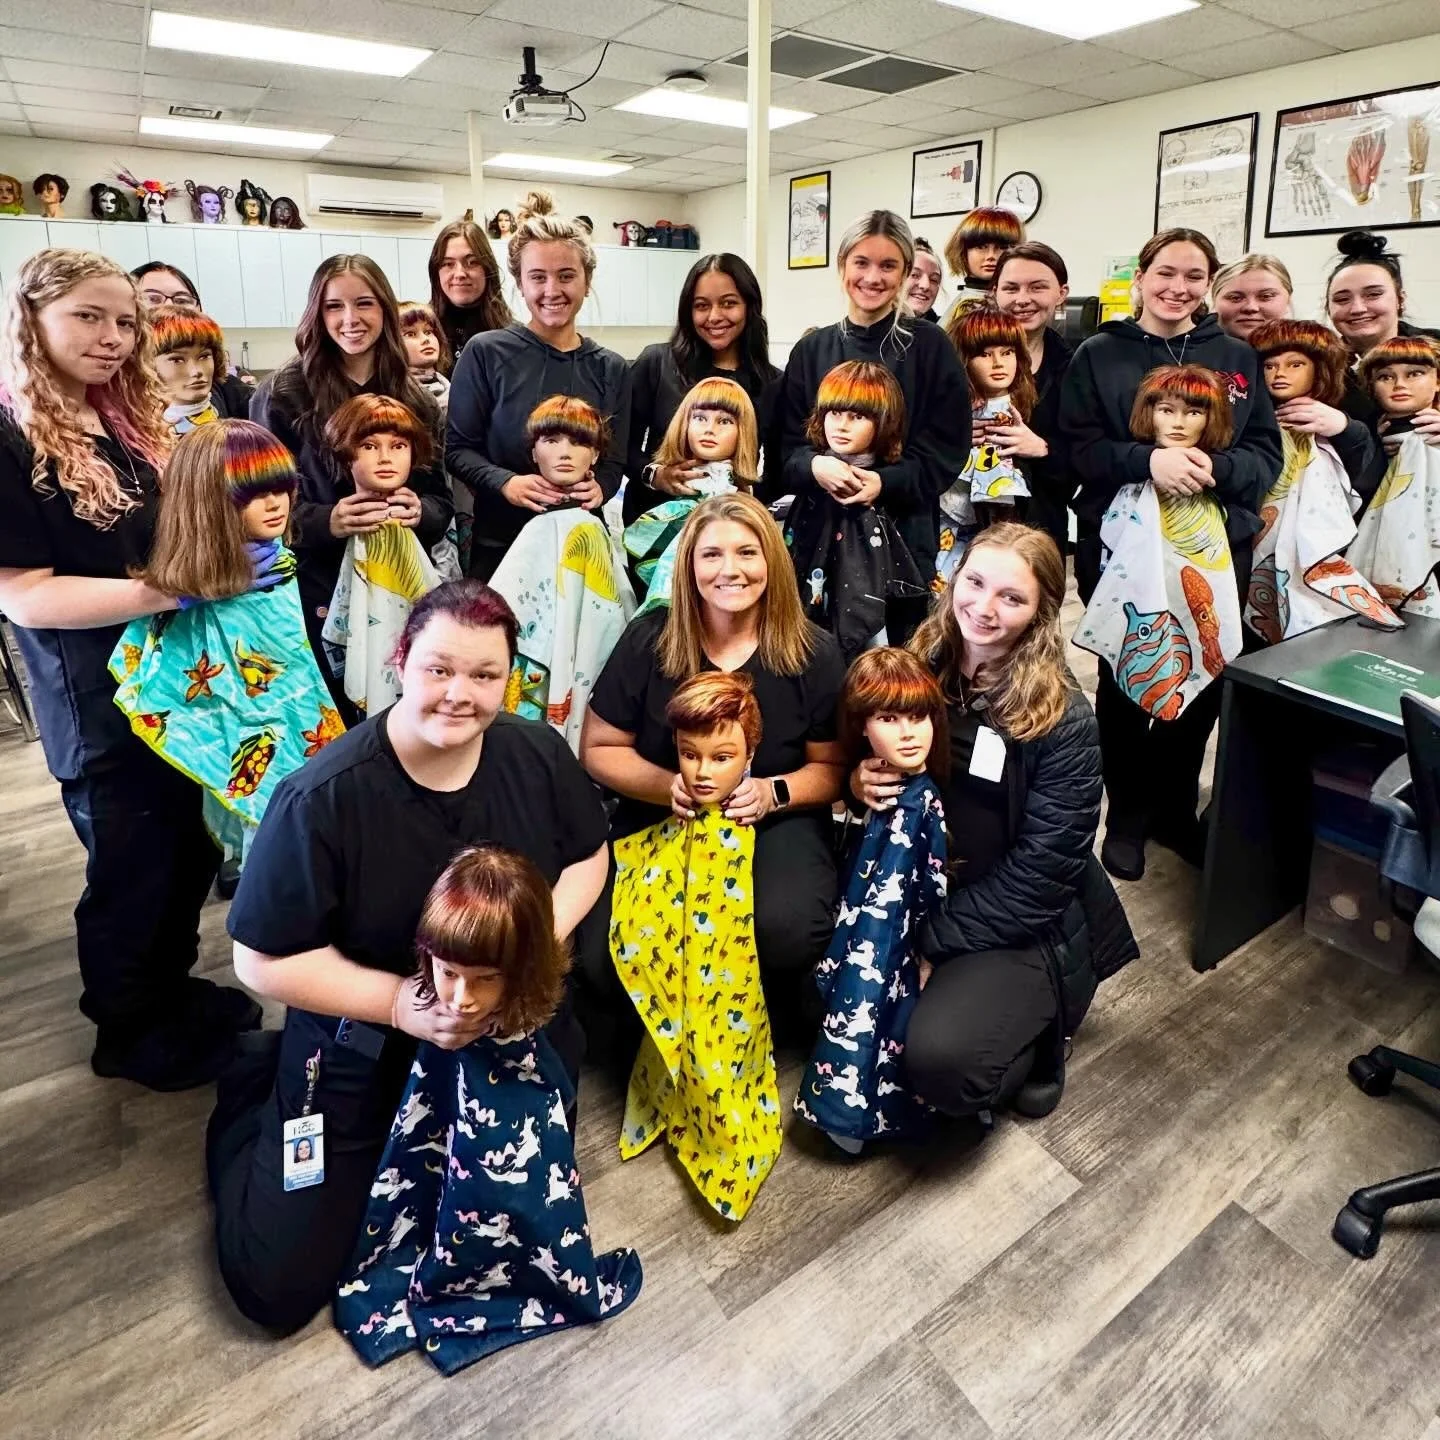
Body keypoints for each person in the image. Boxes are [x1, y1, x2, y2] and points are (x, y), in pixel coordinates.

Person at [208, 580, 610, 1335]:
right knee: (278, 1289)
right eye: (438, 669)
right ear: (400, 661)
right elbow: (260, 960)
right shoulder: (322, 799)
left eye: (485, 675)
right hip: (365, 1037)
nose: (460, 694)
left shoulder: (535, 753)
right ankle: (252, 1093)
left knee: (497, 1226)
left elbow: (590, 857)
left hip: (498, 1031)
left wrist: (523, 950)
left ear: (509, 678)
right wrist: (402, 1005)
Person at [0, 248, 269, 1090]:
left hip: (167, 684)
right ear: (33, 319)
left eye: (125, 321)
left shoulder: (119, 422)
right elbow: (27, 597)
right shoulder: (9, 434)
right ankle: (128, 1031)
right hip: (96, 699)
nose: (113, 337)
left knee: (183, 854)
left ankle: (170, 991)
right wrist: (165, 591)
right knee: (129, 868)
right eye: (89, 317)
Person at [853, 524, 1136, 1121]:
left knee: (939, 1063)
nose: (983, 608)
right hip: (920, 884)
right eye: (975, 583)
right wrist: (858, 782)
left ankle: (1040, 1039)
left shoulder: (1063, 720)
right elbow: (864, 745)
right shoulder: (918, 661)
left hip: (1014, 917)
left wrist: (927, 941)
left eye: (1012, 597)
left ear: (1040, 613)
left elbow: (1041, 878)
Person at [334, 845, 641, 1375]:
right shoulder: (437, 1007)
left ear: (519, 971)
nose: (461, 999)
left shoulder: (529, 1022)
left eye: (486, 978)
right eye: (447, 971)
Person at [1059, 226, 1281, 882]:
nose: (1178, 288)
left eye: (1193, 277)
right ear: (1143, 275)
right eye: (1166, 273)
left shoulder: (1236, 355)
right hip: (1125, 546)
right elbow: (1078, 450)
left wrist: (1210, 466)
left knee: (1204, 676)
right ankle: (1125, 814)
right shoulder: (1099, 353)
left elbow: (1264, 452)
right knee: (1129, 681)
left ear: (1207, 284)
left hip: (1213, 552)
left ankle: (1176, 809)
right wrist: (1148, 460)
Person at [581, 493, 847, 1031]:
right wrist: (666, 785)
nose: (731, 570)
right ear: (689, 565)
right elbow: (599, 749)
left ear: (772, 561)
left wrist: (775, 792)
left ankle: (755, 1011)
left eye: (747, 553)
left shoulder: (814, 652)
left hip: (772, 819)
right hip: (662, 814)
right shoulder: (649, 640)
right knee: (602, 960)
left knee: (785, 928)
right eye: (712, 555)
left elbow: (834, 770)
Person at [110, 420, 343, 865]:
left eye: (281, 487)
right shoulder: (192, 594)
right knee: (276, 849)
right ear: (207, 503)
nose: (274, 503)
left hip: (309, 732)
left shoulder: (286, 565)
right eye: (250, 493)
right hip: (249, 742)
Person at [609, 671, 782, 1221]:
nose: (704, 771)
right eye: (690, 754)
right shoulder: (677, 797)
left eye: (723, 756)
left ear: (750, 752)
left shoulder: (750, 818)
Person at [251, 254, 450, 710]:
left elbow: (439, 499)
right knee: (330, 716)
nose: (350, 319)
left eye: (364, 304)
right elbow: (252, 504)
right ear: (316, 314)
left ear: (384, 309)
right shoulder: (283, 393)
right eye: (333, 307)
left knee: (400, 710)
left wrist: (421, 511)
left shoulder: (415, 399)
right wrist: (327, 521)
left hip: (397, 588)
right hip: (313, 589)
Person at [776, 210, 971, 628]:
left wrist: (886, 482)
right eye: (861, 262)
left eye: (888, 265)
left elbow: (947, 450)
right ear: (842, 265)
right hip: (817, 538)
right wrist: (815, 466)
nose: (873, 277)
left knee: (891, 668)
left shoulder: (929, 347)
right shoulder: (812, 351)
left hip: (901, 540)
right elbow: (783, 450)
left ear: (904, 273)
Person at [797, 646, 949, 1153]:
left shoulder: (922, 802)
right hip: (864, 918)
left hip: (892, 933)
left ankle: (857, 1113)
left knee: (877, 1015)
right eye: (890, 718)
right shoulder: (876, 784)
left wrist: (929, 948)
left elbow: (927, 882)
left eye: (919, 716)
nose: (909, 732)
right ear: (863, 726)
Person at [446, 190, 630, 581]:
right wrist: (506, 483)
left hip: (582, 548)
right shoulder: (486, 353)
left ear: (587, 279)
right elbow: (459, 450)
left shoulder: (611, 368)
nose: (552, 291)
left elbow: (615, 460)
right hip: (502, 548)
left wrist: (603, 488)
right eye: (538, 277)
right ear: (519, 282)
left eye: (566, 276)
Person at [1245, 320, 1395, 640]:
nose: (1280, 374)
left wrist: (1343, 427)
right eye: (1269, 365)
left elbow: (1370, 478)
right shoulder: (1250, 421)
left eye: (1295, 364)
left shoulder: (1345, 417)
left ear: (1320, 369)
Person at [625, 253, 779, 527]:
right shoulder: (657, 364)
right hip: (653, 535)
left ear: (749, 307)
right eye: (701, 305)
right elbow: (620, 446)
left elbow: (779, 469)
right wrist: (656, 475)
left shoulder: (772, 383)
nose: (714, 316)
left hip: (731, 532)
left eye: (729, 304)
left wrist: (746, 498)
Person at [992, 242, 1073, 554]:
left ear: (1061, 293)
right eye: (1011, 288)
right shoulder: (962, 356)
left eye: (1037, 287)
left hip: (1040, 529)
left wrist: (1042, 449)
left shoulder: (1075, 367)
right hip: (964, 528)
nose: (1022, 299)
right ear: (994, 292)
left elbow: (1088, 461)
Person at [1327, 230, 1440, 442]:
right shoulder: (1322, 371)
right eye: (1342, 299)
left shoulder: (1436, 348)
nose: (1357, 308)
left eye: (1373, 294)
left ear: (1400, 299)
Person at [131, 263, 254, 418]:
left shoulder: (223, 388)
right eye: (153, 299)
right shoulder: (114, 401)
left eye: (181, 300)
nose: (169, 308)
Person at [425, 217, 512, 363]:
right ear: (436, 272)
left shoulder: (512, 338)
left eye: (472, 262)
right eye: (448, 264)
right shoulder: (420, 334)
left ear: (487, 268)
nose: (460, 274)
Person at [148, 304, 228, 436]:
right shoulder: (135, 436)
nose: (196, 371)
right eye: (177, 360)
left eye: (204, 356)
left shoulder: (226, 413)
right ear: (147, 364)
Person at [942, 207, 1025, 310]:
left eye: (1002, 247)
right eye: (981, 247)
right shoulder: (965, 307)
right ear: (963, 251)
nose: (991, 255)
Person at [1211, 254, 1293, 344]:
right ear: (1214, 302)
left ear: (1288, 300)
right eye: (1235, 298)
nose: (1251, 307)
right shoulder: (1197, 355)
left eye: (1266, 296)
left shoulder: (1309, 354)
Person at [904, 237, 944, 323]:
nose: (925, 285)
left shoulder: (948, 331)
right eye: (914, 275)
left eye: (934, 280)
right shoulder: (871, 329)